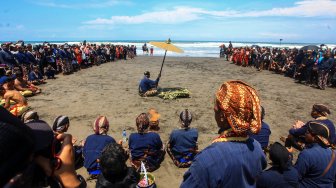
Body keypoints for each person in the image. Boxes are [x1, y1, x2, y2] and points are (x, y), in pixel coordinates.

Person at [181, 80, 267, 188]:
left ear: (223, 116)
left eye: (216, 107)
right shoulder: (256, 147)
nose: (214, 108)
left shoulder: (206, 161)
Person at [294, 121, 336, 187]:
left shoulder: (306, 154)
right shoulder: (334, 153)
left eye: (307, 132)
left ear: (316, 138)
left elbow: (296, 176)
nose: (305, 134)